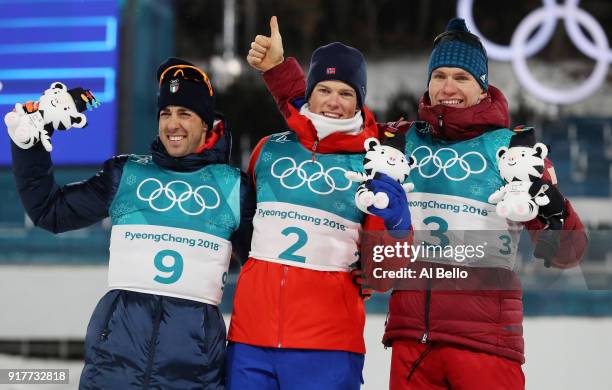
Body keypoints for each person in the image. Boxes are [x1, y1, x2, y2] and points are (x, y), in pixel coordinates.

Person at [247, 16, 588, 390]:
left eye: (461, 77)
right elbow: (329, 117)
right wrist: (280, 72)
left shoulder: (514, 150)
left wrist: (549, 202)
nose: (448, 87)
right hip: (412, 345)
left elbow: (566, 253)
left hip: (487, 345)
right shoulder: (397, 141)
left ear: (483, 86)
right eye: (439, 75)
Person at [7, 57, 255, 389]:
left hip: (192, 374)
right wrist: (31, 144)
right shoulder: (127, 174)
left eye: (185, 114)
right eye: (165, 113)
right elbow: (49, 212)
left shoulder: (233, 188)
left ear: (207, 124)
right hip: (113, 368)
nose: (173, 124)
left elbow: (263, 270)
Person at [225, 16, 409, 390]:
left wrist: (398, 224)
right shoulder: (269, 149)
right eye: (324, 89)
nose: (333, 102)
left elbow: (385, 272)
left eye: (346, 93)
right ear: (309, 92)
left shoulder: (372, 164)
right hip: (250, 337)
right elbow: (245, 227)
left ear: (360, 100)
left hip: (327, 344)